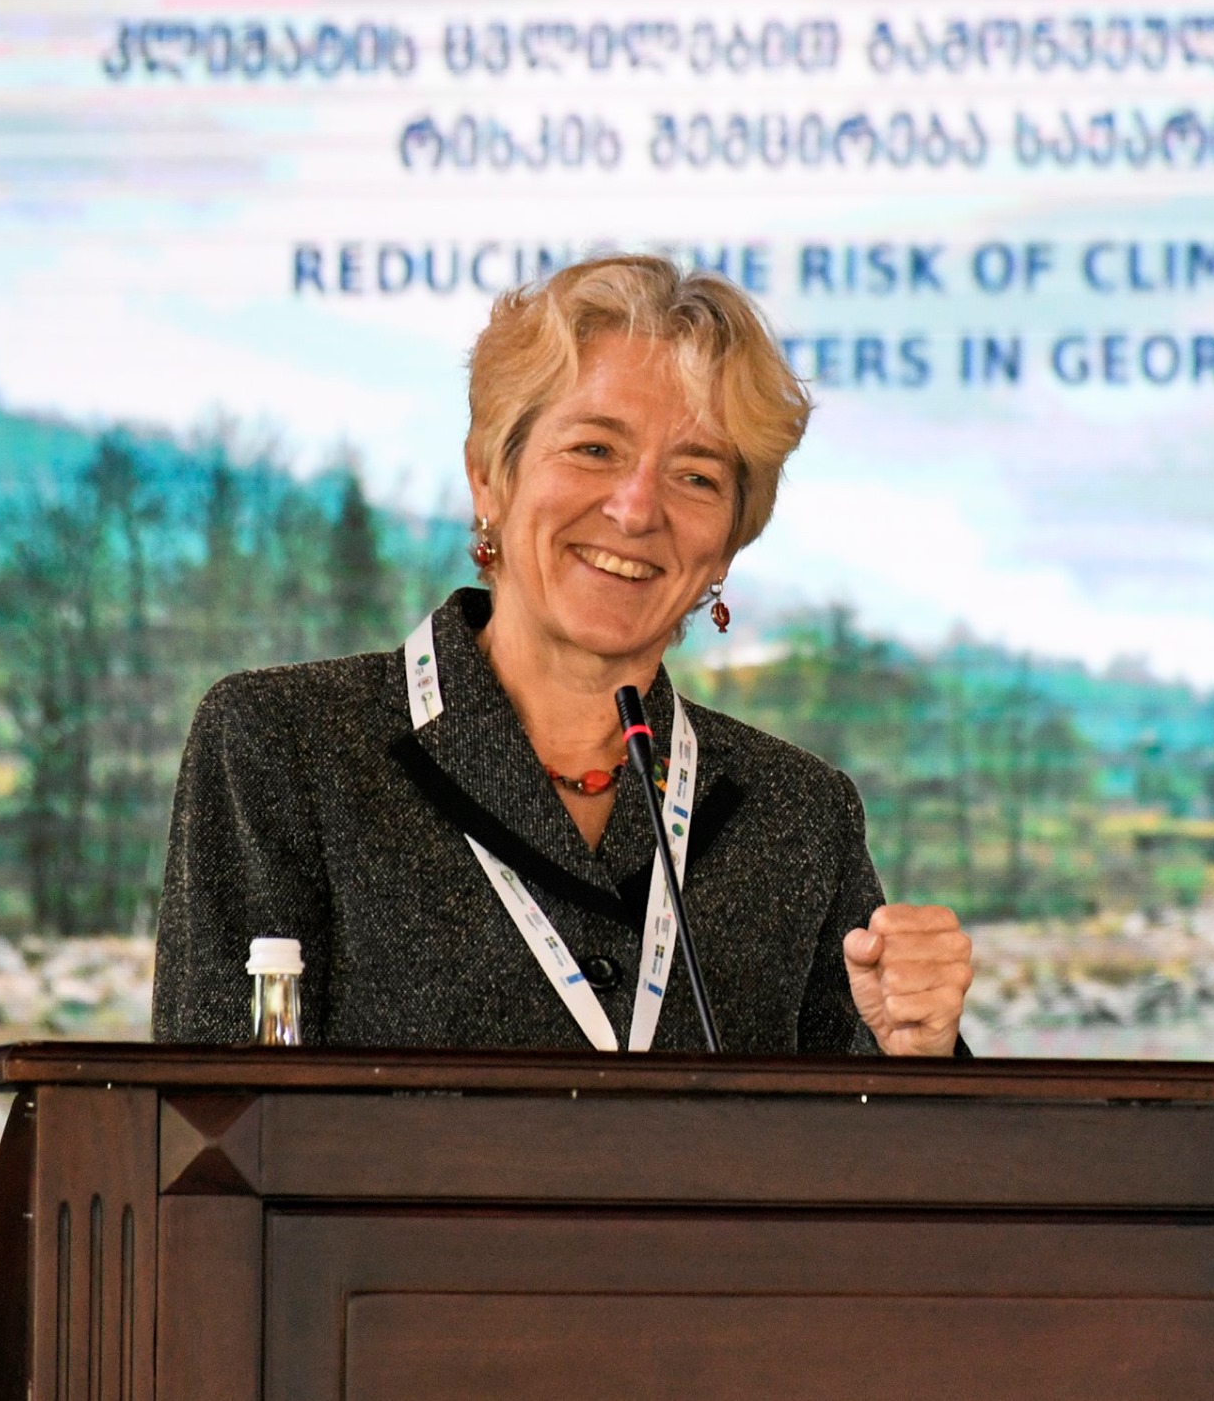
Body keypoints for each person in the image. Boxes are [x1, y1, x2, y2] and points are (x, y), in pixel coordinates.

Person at [153, 254, 974, 1055]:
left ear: (728, 543)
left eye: (696, 477)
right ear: (490, 477)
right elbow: (209, 1125)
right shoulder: (283, 745)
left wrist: (918, 1052)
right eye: (594, 450)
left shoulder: (800, 817)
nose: (636, 509)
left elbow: (872, 1138)